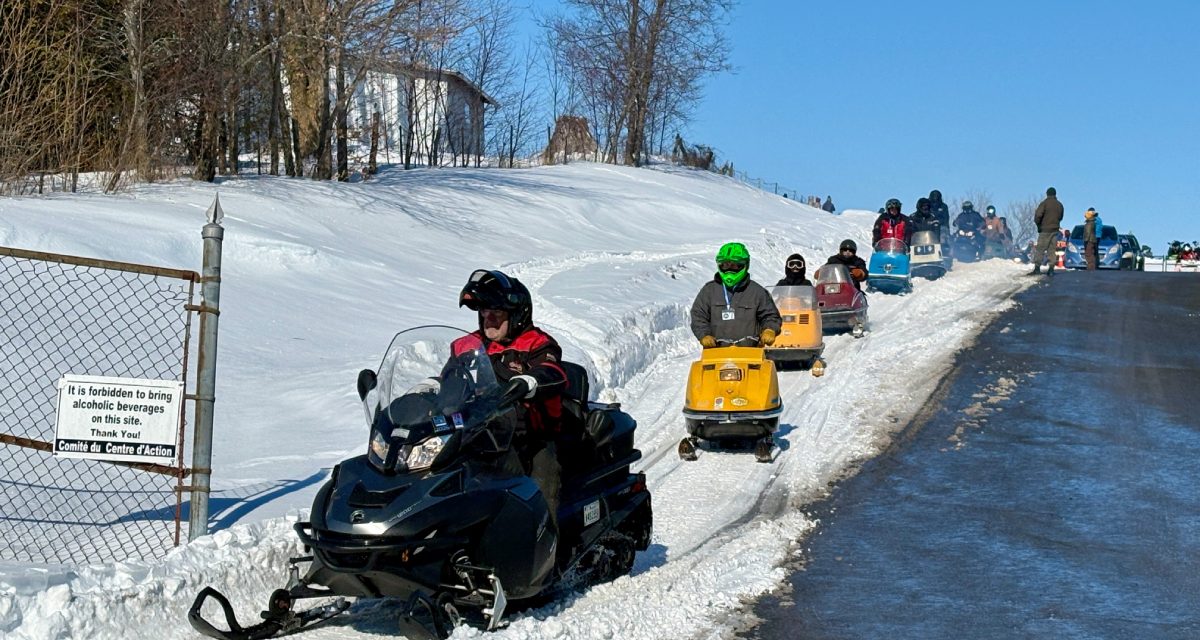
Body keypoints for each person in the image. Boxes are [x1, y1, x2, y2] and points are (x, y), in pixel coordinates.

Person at [456, 269, 568, 523]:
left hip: (531, 436)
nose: (488, 320)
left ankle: (545, 552)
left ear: (516, 314)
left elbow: (553, 370)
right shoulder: (468, 345)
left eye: (496, 314)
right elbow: (450, 377)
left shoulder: (537, 343)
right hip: (479, 433)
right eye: (484, 313)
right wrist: (428, 387)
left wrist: (529, 380)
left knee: (543, 480)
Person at [690, 242, 782, 348]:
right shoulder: (709, 290)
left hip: (751, 353)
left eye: (734, 266)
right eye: (725, 265)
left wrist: (769, 330)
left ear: (745, 265)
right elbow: (698, 315)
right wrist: (704, 335)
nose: (729, 270)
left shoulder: (757, 291)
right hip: (716, 353)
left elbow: (770, 316)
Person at [1029, 187, 1065, 275]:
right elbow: (1060, 217)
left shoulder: (1044, 203)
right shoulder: (1059, 205)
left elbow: (1038, 215)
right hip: (1055, 230)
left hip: (1045, 230)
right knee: (1051, 250)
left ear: (1047, 194)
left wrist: (1039, 225)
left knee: (1040, 249)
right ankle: (1051, 269)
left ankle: (1037, 268)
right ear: (1055, 194)